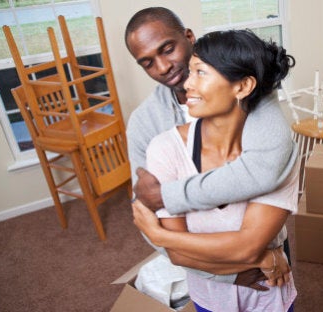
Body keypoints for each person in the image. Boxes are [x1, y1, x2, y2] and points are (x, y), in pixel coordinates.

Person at [124, 7, 295, 288]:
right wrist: (234, 271)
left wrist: (166, 195)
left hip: (266, 243)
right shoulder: (146, 123)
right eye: (148, 63)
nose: (163, 67)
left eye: (167, 49)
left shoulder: (251, 92)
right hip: (208, 266)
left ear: (188, 37)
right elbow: (147, 215)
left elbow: (266, 169)